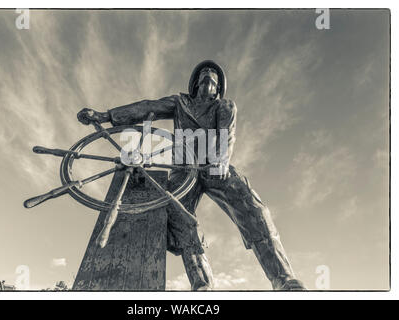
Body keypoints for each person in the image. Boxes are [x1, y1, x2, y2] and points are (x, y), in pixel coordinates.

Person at [77, 60, 305, 291]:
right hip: (184, 171)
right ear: (195, 83)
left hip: (215, 166)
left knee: (255, 211)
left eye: (214, 76)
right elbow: (146, 107)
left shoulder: (224, 107)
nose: (209, 75)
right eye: (204, 73)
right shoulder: (180, 102)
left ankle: (284, 279)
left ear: (218, 88)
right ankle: (202, 285)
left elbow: (227, 135)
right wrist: (106, 116)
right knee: (181, 220)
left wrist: (221, 161)